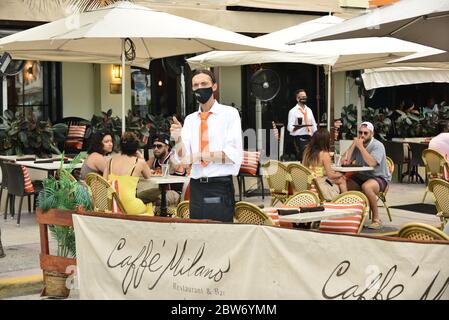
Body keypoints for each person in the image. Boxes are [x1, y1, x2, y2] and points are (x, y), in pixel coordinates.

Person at [170, 69, 242, 222]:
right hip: (196, 187)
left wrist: (200, 155)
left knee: (220, 236)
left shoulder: (230, 114)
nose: (199, 88)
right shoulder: (190, 120)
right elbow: (185, 159)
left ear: (214, 86)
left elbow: (231, 155)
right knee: (199, 237)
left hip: (219, 185)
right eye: (195, 85)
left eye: (204, 83)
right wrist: (177, 138)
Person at [342, 122, 391, 229]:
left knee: (367, 187)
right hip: (361, 176)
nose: (362, 135)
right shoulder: (358, 144)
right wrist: (353, 145)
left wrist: (361, 147)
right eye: (360, 133)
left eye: (365, 133)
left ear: (372, 134)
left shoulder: (378, 145)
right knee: (342, 185)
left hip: (379, 178)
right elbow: (345, 162)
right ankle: (348, 215)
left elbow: (372, 163)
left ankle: (376, 219)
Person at [103, 132, 153, 215]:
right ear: (136, 148)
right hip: (130, 206)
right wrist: (141, 157)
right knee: (149, 206)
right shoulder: (139, 162)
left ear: (121, 147)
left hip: (111, 205)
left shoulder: (110, 161)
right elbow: (148, 176)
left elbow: (104, 182)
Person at [136, 133, 186, 206]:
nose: (156, 149)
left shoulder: (173, 158)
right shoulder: (154, 159)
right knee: (138, 198)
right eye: (154, 146)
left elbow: (180, 153)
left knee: (160, 201)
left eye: (159, 146)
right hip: (160, 191)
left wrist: (178, 135)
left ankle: (153, 213)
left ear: (167, 147)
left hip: (175, 192)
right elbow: (140, 170)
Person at [302, 128, 347, 195]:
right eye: (329, 138)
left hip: (308, 185)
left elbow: (316, 170)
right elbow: (330, 176)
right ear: (325, 141)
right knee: (342, 180)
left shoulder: (307, 152)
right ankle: (346, 201)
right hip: (319, 187)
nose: (330, 140)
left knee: (339, 179)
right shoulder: (324, 154)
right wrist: (341, 174)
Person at [287, 89, 317, 161]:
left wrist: (316, 135)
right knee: (303, 157)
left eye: (305, 96)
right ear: (297, 99)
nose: (305, 98)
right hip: (299, 138)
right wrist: (298, 127)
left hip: (310, 137)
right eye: (302, 97)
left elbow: (313, 124)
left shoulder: (309, 110)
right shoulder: (293, 111)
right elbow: (289, 127)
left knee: (311, 157)